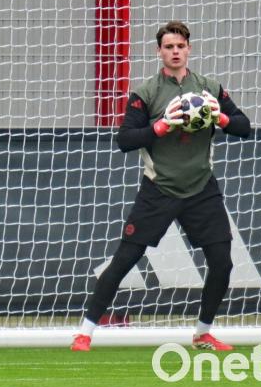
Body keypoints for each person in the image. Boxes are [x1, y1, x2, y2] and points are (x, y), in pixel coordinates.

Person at [72, 20, 251, 352]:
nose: (175, 52)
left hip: (201, 189)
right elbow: (125, 140)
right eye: (169, 47)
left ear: (189, 49)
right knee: (124, 260)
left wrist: (220, 118)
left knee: (222, 262)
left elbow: (244, 127)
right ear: (159, 52)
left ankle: (202, 333)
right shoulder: (146, 93)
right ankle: (85, 332)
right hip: (158, 188)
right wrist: (162, 126)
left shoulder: (209, 88)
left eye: (180, 46)